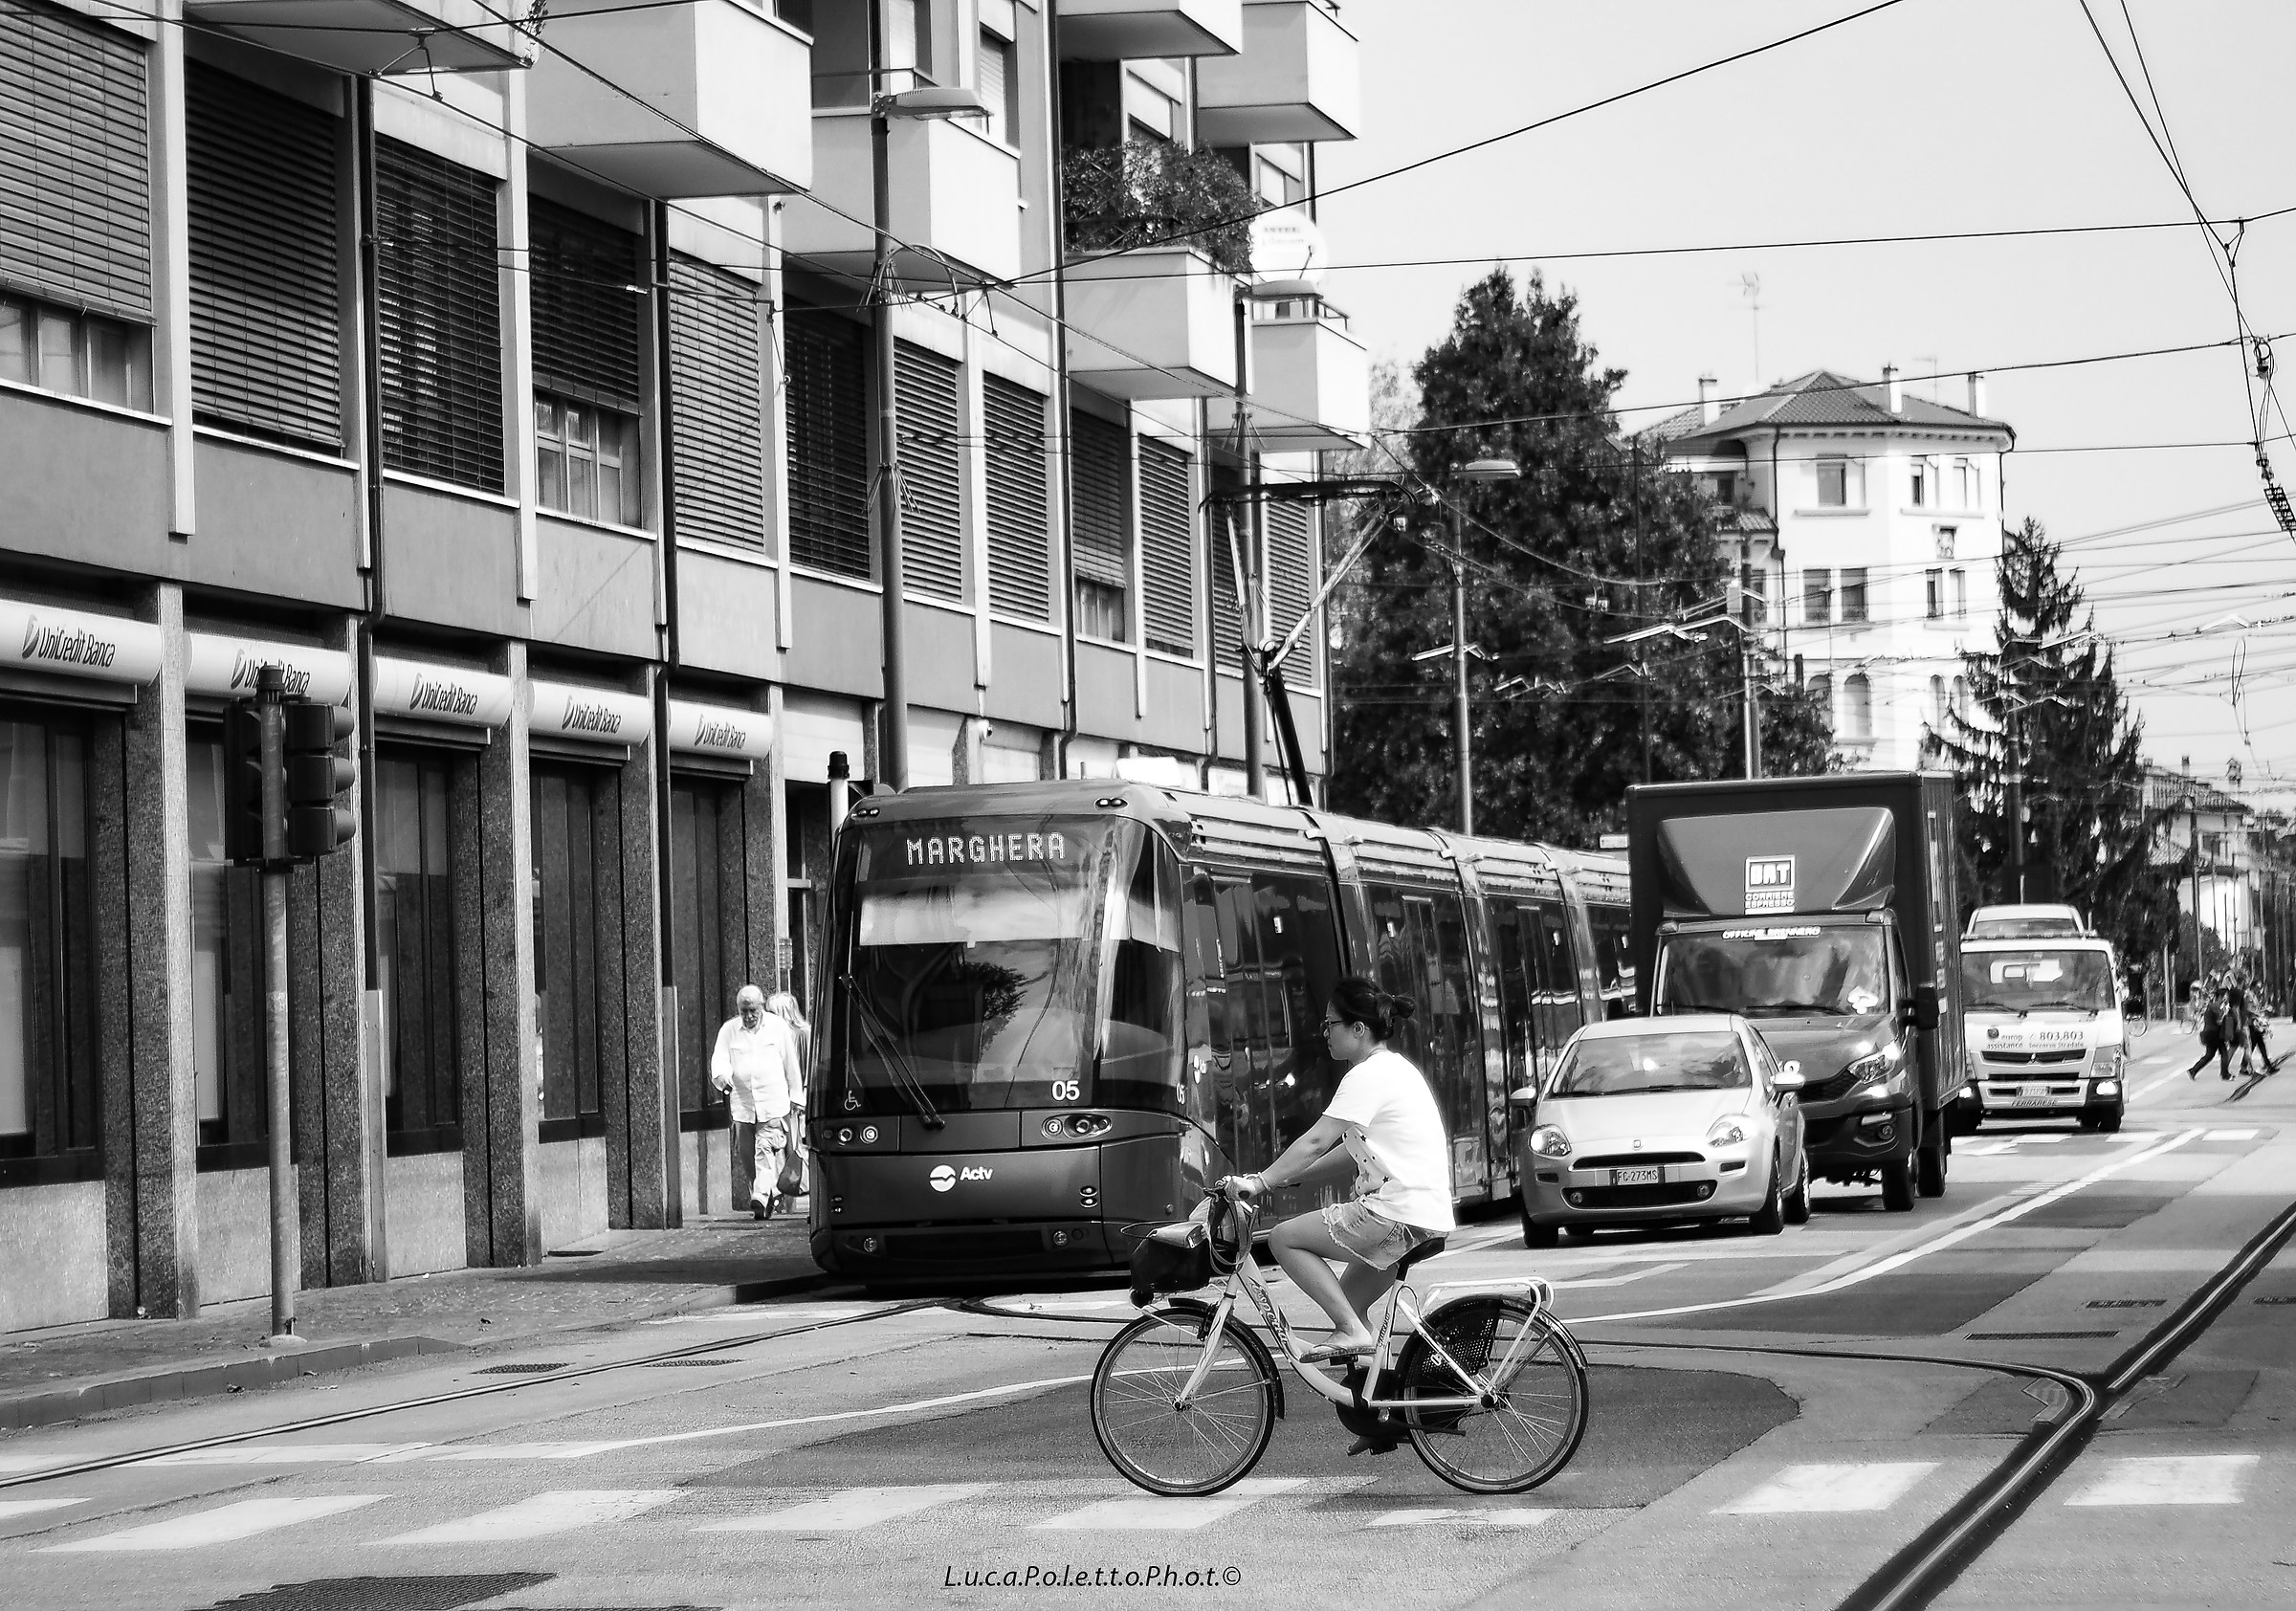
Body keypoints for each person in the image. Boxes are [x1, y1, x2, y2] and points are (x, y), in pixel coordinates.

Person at [1227, 977, 1454, 1364]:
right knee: (1349, 1307)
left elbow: (1316, 1141)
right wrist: (1288, 1176)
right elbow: (1351, 1154)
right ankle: (1381, 1412)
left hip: (1395, 1215)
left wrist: (1262, 1181)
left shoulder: (1366, 1076)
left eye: (1331, 1024)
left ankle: (1349, 1331)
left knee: (1283, 1238)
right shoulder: (1395, 1069)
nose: (1325, 1033)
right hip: (1422, 1215)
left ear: (1358, 1029)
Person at [711, 984, 805, 1218]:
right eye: (744, 1011)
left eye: (753, 1010)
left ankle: (761, 1196)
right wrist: (722, 1077)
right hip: (743, 1106)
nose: (749, 1016)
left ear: (761, 1006)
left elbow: (790, 1063)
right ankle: (767, 1195)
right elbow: (720, 1059)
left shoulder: (778, 1027)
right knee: (747, 1155)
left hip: (773, 1103)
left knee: (765, 1149)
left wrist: (796, 1096)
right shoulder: (729, 1030)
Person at [765, 991, 814, 1196]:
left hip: (796, 1101)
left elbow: (811, 1067)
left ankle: (797, 1190)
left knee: (796, 1147)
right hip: (775, 1098)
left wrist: (802, 1096)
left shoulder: (803, 1033)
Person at [2187, 981, 2231, 1081]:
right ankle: (2225, 1074)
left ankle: (2193, 1070)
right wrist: (2225, 1014)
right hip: (2213, 1034)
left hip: (2210, 1033)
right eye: (2225, 996)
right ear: (2221, 997)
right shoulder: (2215, 1006)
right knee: (2224, 1052)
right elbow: (2219, 1021)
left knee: (2210, 1055)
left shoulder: (2215, 1006)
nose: (2227, 998)